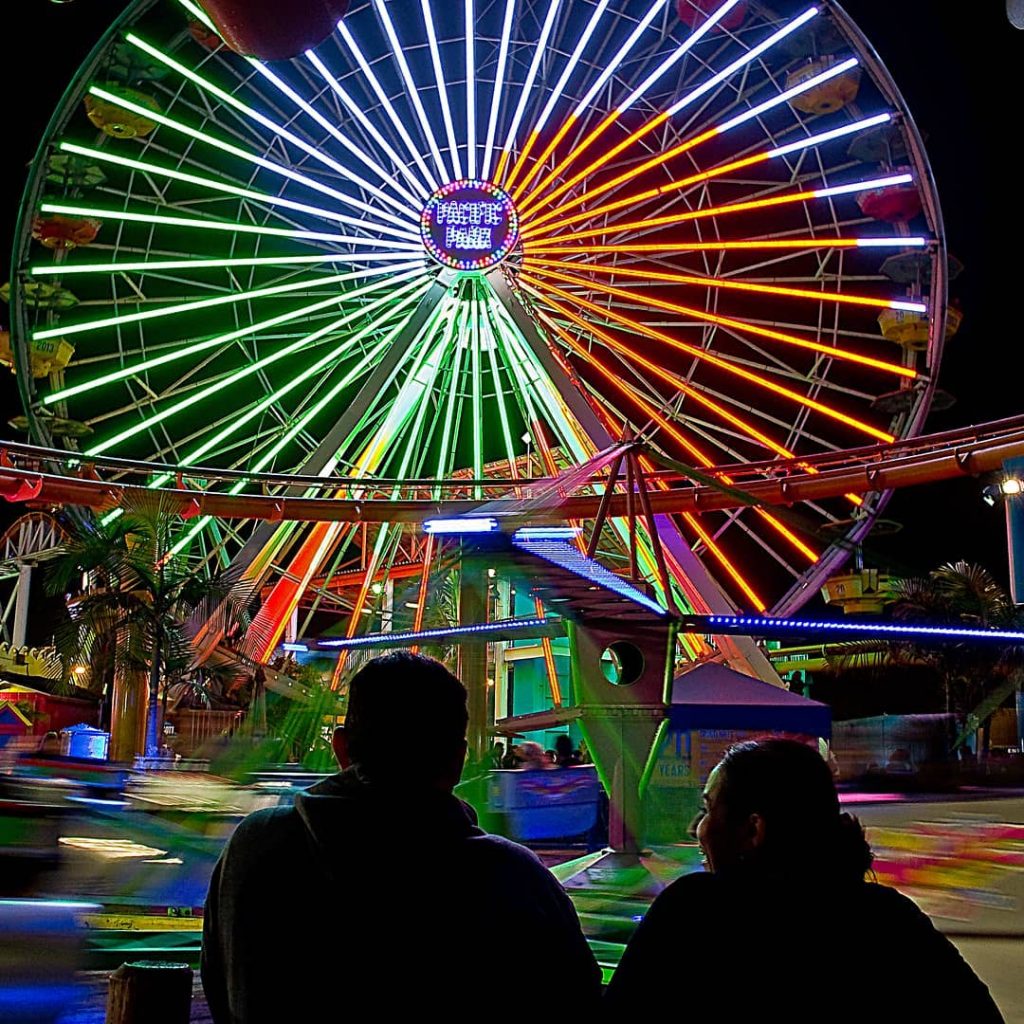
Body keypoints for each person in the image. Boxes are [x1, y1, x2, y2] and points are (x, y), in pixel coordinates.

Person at [202, 652, 599, 1020]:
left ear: (341, 748)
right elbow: (576, 996)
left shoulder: (253, 846)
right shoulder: (512, 879)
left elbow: (218, 980)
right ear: (458, 760)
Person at [605, 739, 1004, 1022]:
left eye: (708, 809)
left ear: (753, 829)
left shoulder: (695, 911)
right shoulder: (886, 916)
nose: (698, 828)